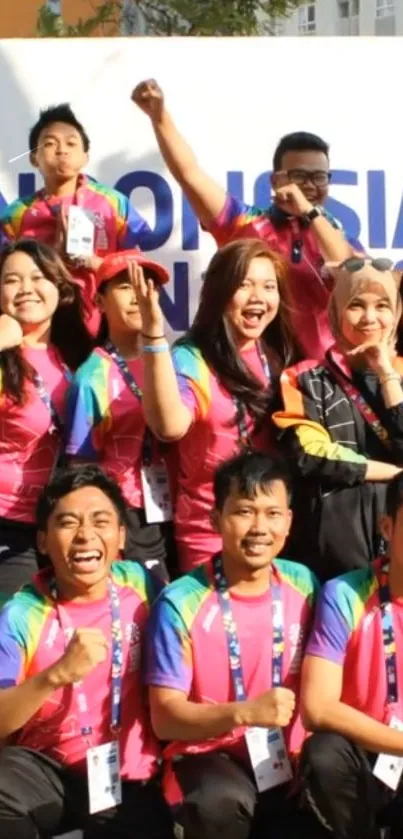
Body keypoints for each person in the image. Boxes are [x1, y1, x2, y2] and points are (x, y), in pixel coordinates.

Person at [146, 452, 320, 839]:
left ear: (289, 521)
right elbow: (166, 718)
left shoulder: (304, 583)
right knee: (219, 801)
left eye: (272, 513)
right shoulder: (181, 601)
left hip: (285, 757)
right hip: (208, 756)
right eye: (244, 511)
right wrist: (245, 712)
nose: (260, 527)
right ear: (215, 519)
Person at [0, 464, 174, 839]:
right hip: (46, 772)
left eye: (100, 521)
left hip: (129, 778)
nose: (85, 536)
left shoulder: (144, 586)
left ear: (122, 535)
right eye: (68, 523)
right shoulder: (20, 614)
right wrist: (56, 675)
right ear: (43, 541)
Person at [132, 78, 356, 362]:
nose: (311, 185)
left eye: (319, 176)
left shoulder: (334, 232)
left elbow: (350, 274)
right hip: (256, 373)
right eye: (300, 175)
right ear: (276, 181)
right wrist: (159, 116)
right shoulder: (245, 224)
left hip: (322, 380)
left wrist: (310, 213)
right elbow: (190, 174)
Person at [134, 237, 297, 571]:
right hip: (210, 534)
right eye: (244, 285)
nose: (259, 297)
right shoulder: (193, 357)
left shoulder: (279, 355)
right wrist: (153, 336)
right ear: (219, 294)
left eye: (269, 286)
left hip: (275, 532)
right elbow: (169, 426)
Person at [273, 257, 403, 581]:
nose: (370, 318)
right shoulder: (304, 378)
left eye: (382, 306)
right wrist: (392, 472)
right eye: (356, 305)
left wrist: (386, 373)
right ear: (335, 312)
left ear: (397, 313)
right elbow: (310, 454)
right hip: (333, 564)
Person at [299, 471, 403, 839]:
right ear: (387, 528)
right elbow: (317, 708)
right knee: (325, 754)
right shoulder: (345, 594)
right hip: (367, 751)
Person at [65, 248, 175, 581]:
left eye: (149, 286)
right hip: (124, 515)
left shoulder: (172, 361)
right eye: (126, 286)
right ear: (98, 301)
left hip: (176, 508)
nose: (140, 295)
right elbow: (79, 467)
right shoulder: (91, 375)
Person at [0, 104, 152, 336]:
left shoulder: (112, 204)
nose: (62, 151)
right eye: (50, 144)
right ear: (33, 158)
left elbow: (134, 269)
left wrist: (89, 262)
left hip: (103, 325)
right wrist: (53, 258)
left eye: (71, 143)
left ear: (85, 156)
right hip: (39, 330)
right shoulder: (16, 215)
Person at [0, 239, 91, 605]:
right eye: (11, 280)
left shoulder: (75, 356)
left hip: (60, 523)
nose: (26, 289)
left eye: (37, 277)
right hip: (8, 523)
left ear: (60, 287)